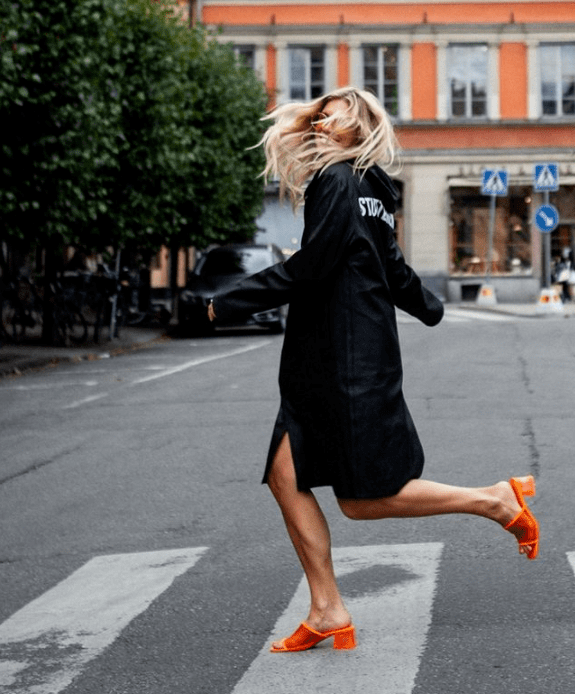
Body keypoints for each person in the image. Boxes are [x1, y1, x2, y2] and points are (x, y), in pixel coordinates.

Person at [207, 87, 539, 654]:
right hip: (333, 359)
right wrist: (432, 307)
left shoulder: (337, 181)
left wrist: (228, 301)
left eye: (329, 113)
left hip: (345, 361)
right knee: (286, 480)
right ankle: (328, 609)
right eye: (314, 114)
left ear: (356, 123)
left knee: (362, 500)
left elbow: (310, 268)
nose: (317, 120)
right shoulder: (371, 192)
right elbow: (392, 267)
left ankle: (496, 500)